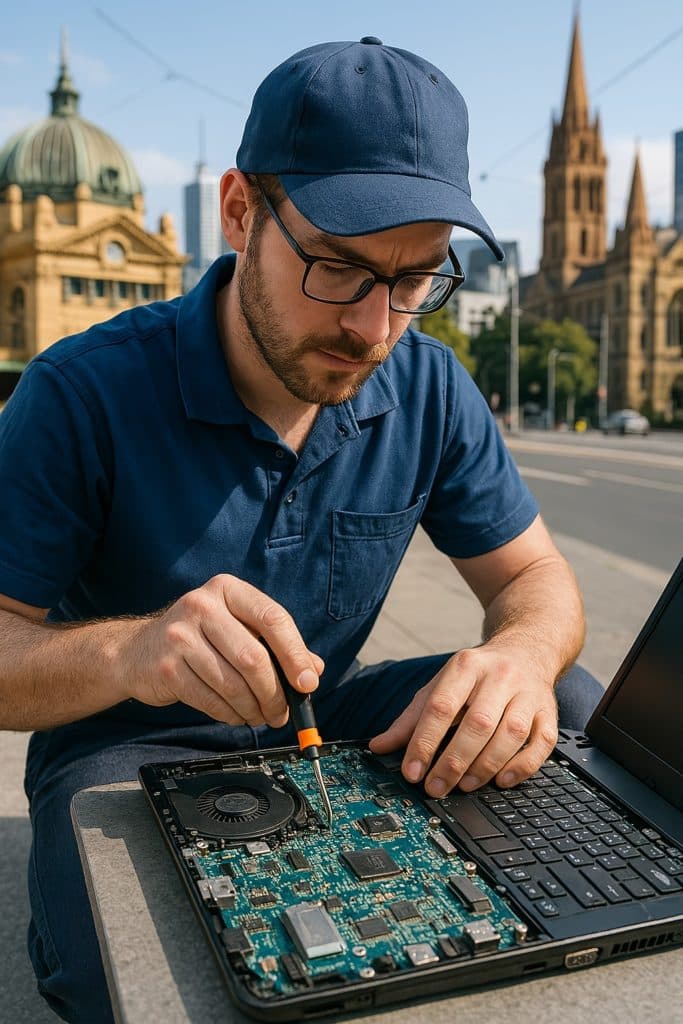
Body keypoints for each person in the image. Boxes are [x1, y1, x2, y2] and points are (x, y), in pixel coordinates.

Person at [0, 37, 602, 1023]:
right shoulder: (82, 391)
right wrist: (134, 651)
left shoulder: (428, 384)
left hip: (321, 724)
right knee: (142, 981)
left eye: (414, 280)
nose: (374, 327)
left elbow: (532, 573)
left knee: (567, 694)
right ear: (239, 212)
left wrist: (522, 656)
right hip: (124, 748)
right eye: (337, 267)